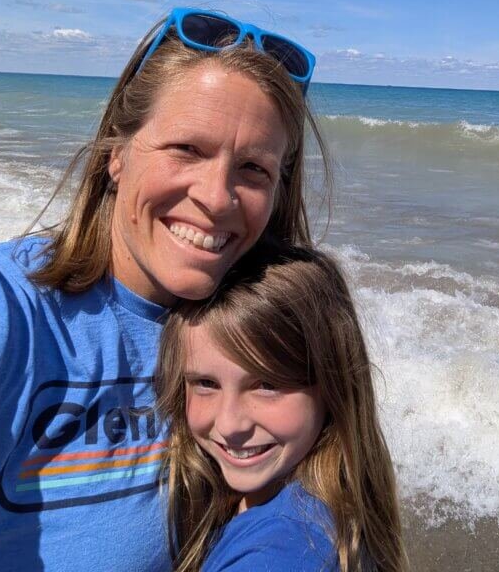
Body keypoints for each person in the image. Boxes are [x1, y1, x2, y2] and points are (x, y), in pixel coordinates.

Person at [0, 9, 326, 571]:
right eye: (187, 150)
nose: (218, 196)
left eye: (253, 168)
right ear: (116, 157)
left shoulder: (257, 339)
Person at [156, 242, 407, 572]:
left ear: (333, 387)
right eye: (206, 383)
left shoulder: (279, 553)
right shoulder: (293, 504)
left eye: (267, 385)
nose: (230, 424)